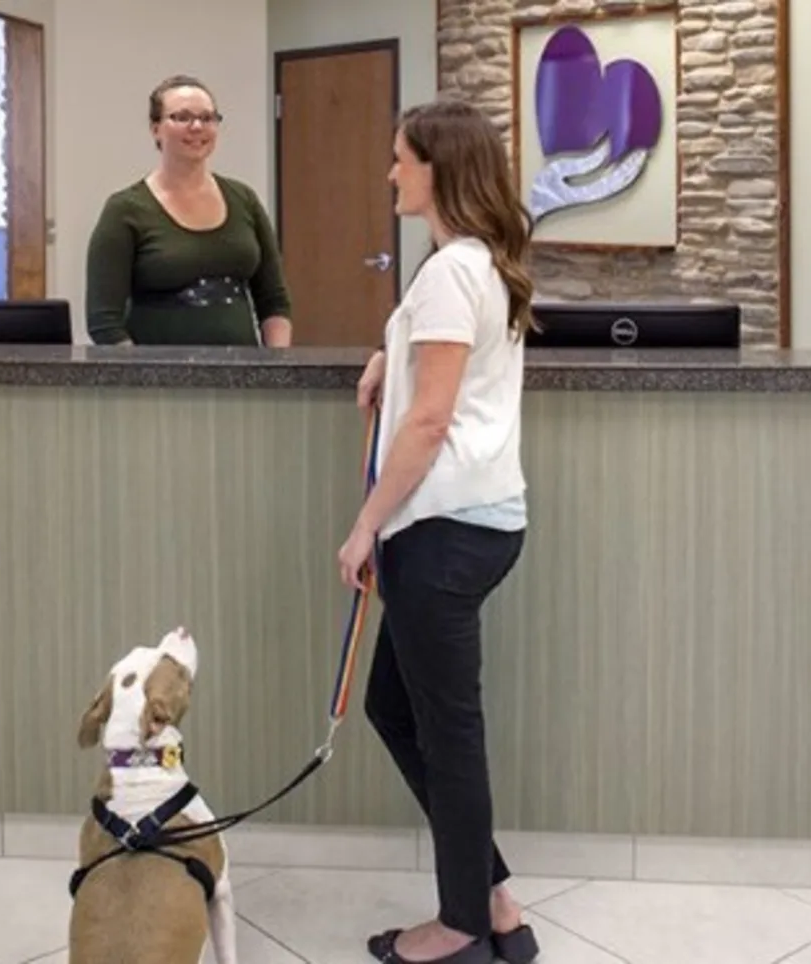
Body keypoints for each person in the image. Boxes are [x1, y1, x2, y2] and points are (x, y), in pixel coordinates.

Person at [336, 98, 536, 964]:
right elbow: (452, 370)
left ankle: (459, 927)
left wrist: (363, 531)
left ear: (438, 169)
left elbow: (429, 424)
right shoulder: (474, 265)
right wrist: (395, 350)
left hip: (442, 530)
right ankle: (490, 899)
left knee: (449, 731)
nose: (390, 173)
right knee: (394, 705)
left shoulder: (454, 270)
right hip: (475, 525)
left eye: (400, 160)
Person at [84, 75, 293, 346]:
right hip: (159, 379)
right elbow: (104, 322)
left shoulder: (244, 199)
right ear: (155, 128)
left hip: (242, 376)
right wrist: (143, 380)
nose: (197, 127)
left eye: (207, 118)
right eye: (182, 117)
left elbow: (274, 301)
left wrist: (276, 368)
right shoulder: (125, 210)